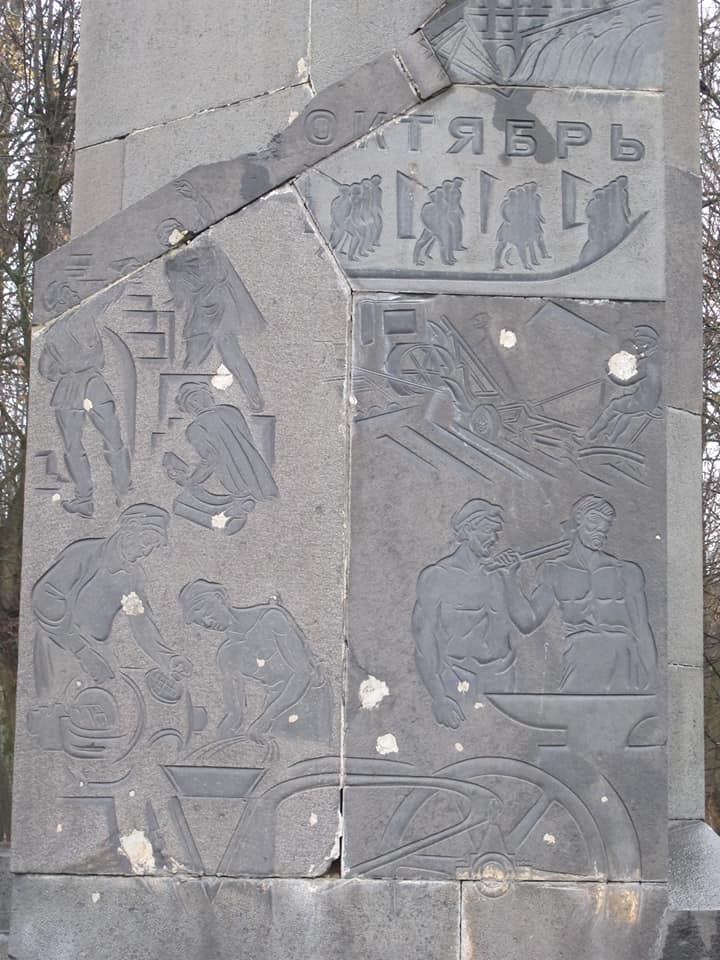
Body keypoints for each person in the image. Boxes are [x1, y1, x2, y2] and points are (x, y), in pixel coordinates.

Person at [32, 504, 190, 697]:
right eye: (147, 541)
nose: (147, 551)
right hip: (59, 646)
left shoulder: (132, 577)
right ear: (130, 528)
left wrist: (168, 659)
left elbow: (140, 622)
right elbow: (46, 598)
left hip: (97, 650)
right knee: (56, 705)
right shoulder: (84, 554)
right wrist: (81, 650)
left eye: (153, 546)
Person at [412, 499, 538, 728]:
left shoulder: (499, 575)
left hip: (501, 679)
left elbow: (527, 623)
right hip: (458, 680)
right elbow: (424, 642)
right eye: (488, 531)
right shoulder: (437, 577)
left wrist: (511, 578)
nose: (495, 539)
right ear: (468, 531)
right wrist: (439, 697)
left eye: (497, 533)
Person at [521, 495, 657, 692]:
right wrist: (508, 579)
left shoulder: (627, 572)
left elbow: (641, 626)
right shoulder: (554, 571)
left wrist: (652, 672)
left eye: (605, 525)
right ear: (578, 521)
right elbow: (529, 622)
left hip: (622, 658)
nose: (600, 529)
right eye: (594, 522)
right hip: (580, 656)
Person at [179, 579, 332, 746]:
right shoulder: (227, 655)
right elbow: (234, 714)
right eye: (199, 621)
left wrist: (264, 721)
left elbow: (303, 672)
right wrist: (220, 741)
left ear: (219, 597)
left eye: (205, 611)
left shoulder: (272, 618)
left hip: (308, 699)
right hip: (274, 708)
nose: (207, 622)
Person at [38, 302, 131, 518]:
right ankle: (123, 488)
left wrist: (65, 368)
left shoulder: (54, 333)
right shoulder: (88, 319)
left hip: (69, 390)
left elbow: (46, 370)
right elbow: (100, 359)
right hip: (95, 385)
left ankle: (84, 499)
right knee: (112, 439)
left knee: (74, 447)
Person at [163, 381, 277, 535]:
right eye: (191, 401)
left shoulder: (196, 428)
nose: (196, 403)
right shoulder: (231, 411)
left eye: (196, 398)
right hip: (259, 474)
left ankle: (231, 518)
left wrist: (193, 480)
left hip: (236, 482)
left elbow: (210, 458)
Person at [585, 326, 662, 444]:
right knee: (626, 414)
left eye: (639, 345)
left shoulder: (646, 364)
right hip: (652, 401)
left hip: (642, 401)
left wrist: (609, 372)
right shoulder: (654, 358)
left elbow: (626, 382)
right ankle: (612, 439)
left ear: (647, 345)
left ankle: (590, 436)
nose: (636, 348)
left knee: (613, 407)